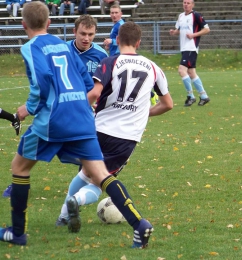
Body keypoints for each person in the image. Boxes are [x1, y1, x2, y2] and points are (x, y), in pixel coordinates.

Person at [0, 1, 154, 249]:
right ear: (49, 23)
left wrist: (27, 109)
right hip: (82, 117)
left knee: (19, 166)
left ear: (23, 24)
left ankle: (17, 233)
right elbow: (85, 80)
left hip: (54, 119)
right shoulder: (63, 46)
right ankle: (139, 224)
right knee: (101, 174)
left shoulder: (30, 48)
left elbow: (41, 83)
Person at [55, 21, 173, 248]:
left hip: (97, 129)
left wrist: (73, 111)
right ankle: (77, 201)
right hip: (126, 137)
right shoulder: (154, 68)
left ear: (117, 40)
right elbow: (168, 104)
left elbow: (95, 93)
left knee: (85, 172)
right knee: (100, 182)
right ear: (139, 43)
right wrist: (143, 112)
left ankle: (63, 216)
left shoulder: (109, 61)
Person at [169, 0, 210, 106]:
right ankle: (204, 96)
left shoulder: (196, 15)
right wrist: (174, 32)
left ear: (193, 5)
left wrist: (193, 35)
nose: (186, 4)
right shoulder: (181, 16)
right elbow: (179, 30)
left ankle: (190, 96)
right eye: (184, 2)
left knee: (181, 70)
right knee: (191, 73)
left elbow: (207, 29)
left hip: (191, 48)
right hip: (184, 48)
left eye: (188, 3)